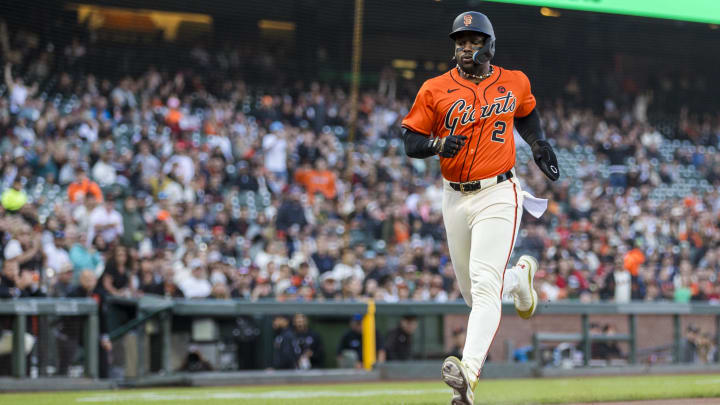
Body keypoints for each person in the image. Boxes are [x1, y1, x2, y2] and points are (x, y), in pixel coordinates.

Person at [401, 11, 559, 405]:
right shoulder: (435, 88)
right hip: (453, 196)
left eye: (473, 40)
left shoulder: (514, 80)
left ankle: (468, 375)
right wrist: (437, 145)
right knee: (476, 297)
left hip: (499, 191)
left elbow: (526, 112)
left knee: (485, 287)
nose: (465, 47)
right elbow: (410, 140)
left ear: (489, 45)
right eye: (460, 41)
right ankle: (520, 277)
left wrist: (538, 144)